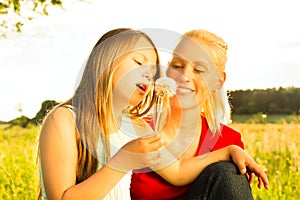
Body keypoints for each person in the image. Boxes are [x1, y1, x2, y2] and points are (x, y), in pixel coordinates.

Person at [130, 29, 269, 199]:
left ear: (218, 82)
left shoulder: (227, 141)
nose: (184, 76)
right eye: (178, 66)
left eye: (199, 70)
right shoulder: (137, 128)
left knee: (228, 172)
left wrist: (230, 151)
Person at [38, 28, 165, 200]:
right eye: (138, 62)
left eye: (153, 72)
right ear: (106, 61)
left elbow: (178, 173)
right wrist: (124, 159)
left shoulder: (137, 126)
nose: (149, 75)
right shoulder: (64, 120)